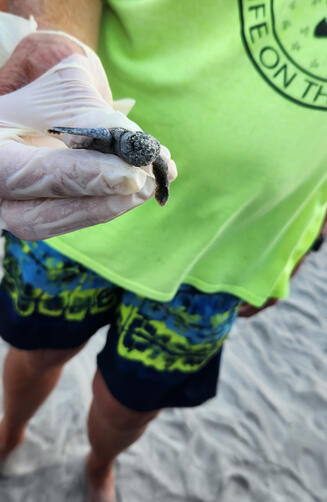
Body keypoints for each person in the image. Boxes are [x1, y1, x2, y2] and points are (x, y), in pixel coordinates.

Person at [0, 2, 326, 501]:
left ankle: (100, 463)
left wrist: (304, 242)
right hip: (75, 215)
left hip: (229, 250)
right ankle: (13, 427)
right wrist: (54, 48)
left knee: (130, 402)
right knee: (37, 350)